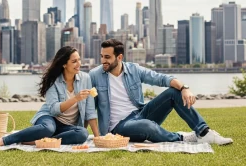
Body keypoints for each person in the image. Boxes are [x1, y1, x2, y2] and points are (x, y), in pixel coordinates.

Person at [89, 38, 233, 145]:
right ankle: (182, 137)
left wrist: (184, 88)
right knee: (147, 126)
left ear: (119, 57)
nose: (103, 61)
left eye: (107, 57)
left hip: (140, 113)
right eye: (101, 56)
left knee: (173, 93)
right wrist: (96, 135)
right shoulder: (95, 75)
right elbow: (89, 108)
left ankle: (204, 132)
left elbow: (160, 78)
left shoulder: (134, 69)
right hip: (118, 127)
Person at [0, 46, 99, 148]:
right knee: (48, 129)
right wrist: (76, 98)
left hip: (68, 127)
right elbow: (53, 110)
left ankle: (40, 141)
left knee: (82, 134)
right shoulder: (53, 81)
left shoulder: (85, 78)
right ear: (64, 64)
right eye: (74, 61)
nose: (79, 64)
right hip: (50, 118)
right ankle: (2, 141)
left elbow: (90, 111)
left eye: (79, 60)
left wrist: (98, 138)